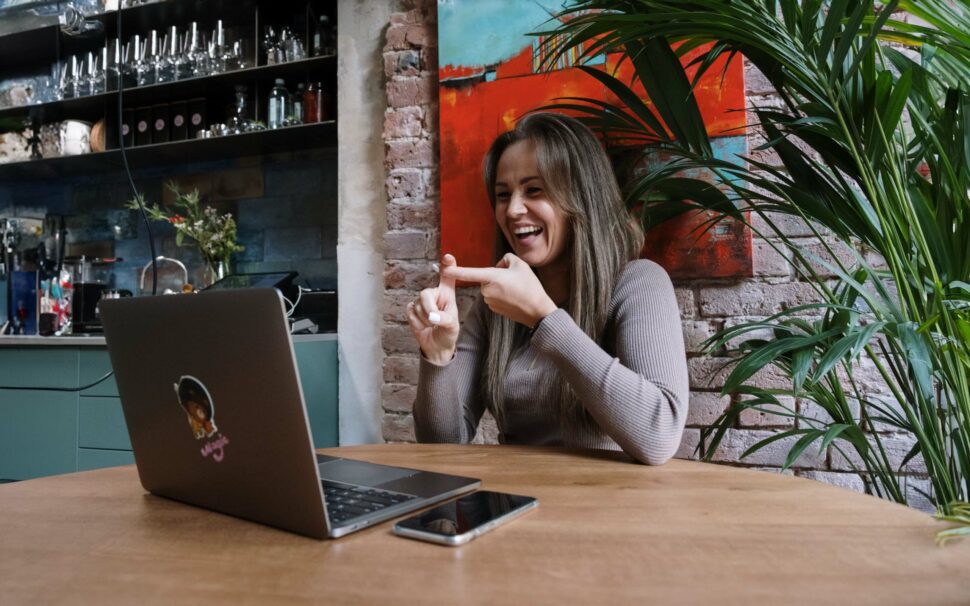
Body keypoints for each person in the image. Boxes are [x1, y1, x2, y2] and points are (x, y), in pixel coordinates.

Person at [407, 113, 688, 465]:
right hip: (517, 508)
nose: (513, 210)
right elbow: (442, 447)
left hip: (614, 510)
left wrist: (544, 319)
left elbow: (660, 438)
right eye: (502, 194)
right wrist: (438, 357)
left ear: (581, 196)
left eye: (534, 190)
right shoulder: (493, 308)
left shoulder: (638, 284)